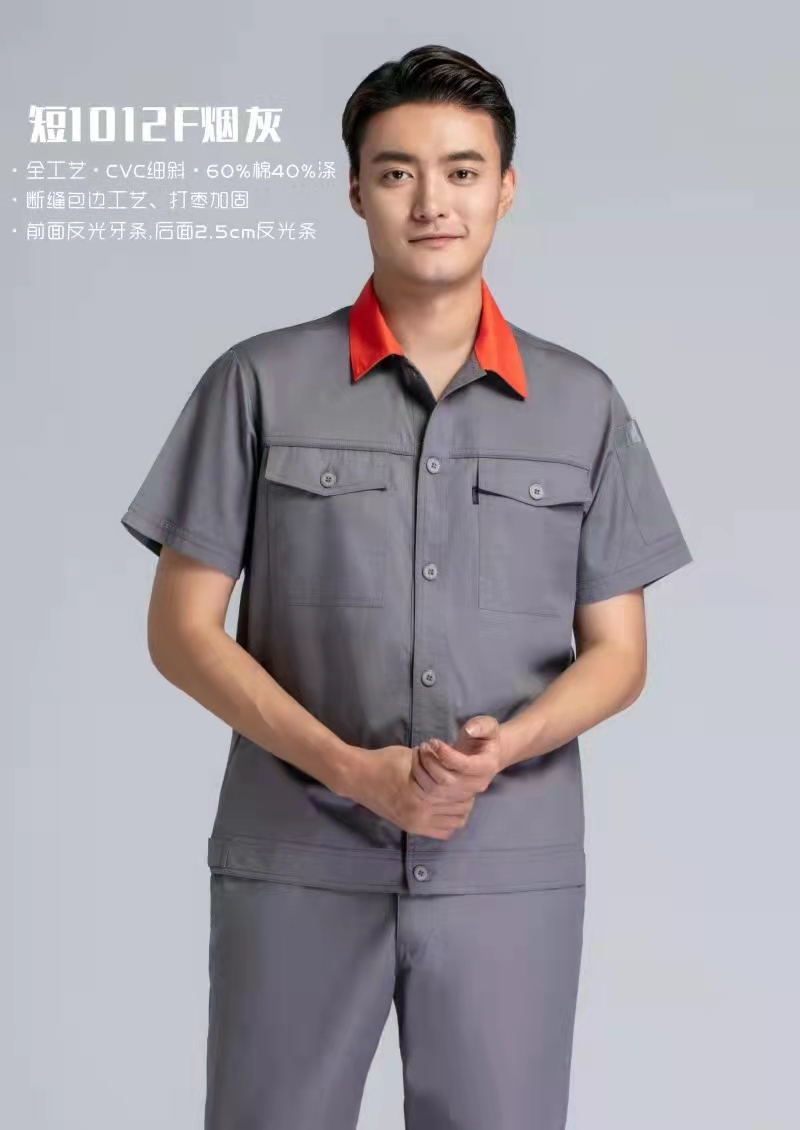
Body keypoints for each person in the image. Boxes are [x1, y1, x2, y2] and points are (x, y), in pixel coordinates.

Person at [121, 43, 693, 1130]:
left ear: (505, 187)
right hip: (297, 855)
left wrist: (503, 749)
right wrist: (352, 771)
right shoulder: (257, 382)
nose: (432, 201)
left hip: (505, 870)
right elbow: (181, 630)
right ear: (355, 190)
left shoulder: (582, 404)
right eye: (397, 172)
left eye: (462, 170)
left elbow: (620, 654)